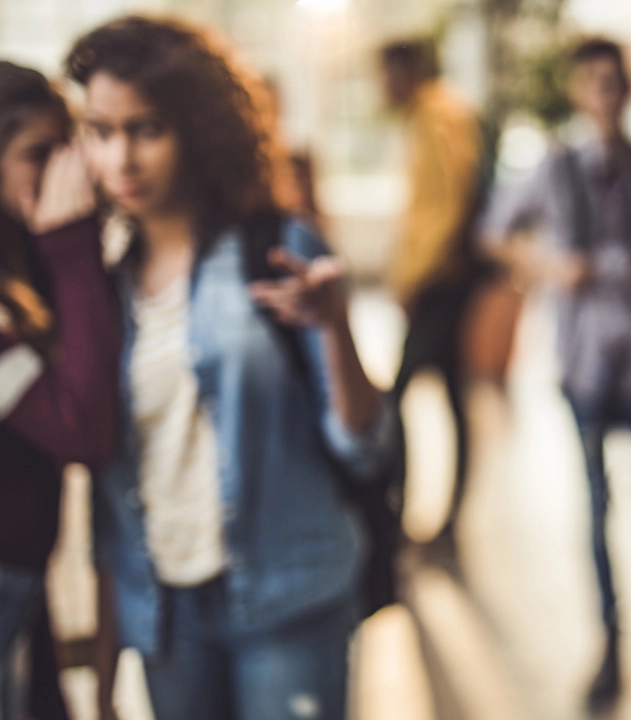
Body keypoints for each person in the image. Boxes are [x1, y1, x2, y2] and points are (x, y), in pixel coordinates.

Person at [65, 16, 391, 720]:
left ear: (198, 129)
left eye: (146, 129)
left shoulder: (274, 248)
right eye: (100, 130)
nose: (121, 158)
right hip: (165, 615)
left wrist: (334, 324)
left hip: (288, 596)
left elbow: (361, 445)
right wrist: (103, 654)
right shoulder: (102, 283)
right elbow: (104, 488)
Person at [484, 37, 631, 712]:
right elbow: (494, 235)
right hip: (582, 364)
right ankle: (611, 648)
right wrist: (554, 269)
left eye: (614, 83)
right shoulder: (552, 173)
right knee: (595, 515)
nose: (604, 95)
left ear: (629, 89)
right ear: (578, 92)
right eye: (592, 83)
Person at [0, 61, 118, 720]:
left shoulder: (21, 262)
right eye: (36, 154)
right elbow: (85, 429)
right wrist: (72, 247)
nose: (59, 172)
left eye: (66, 150)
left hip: (23, 576)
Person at [379, 38, 485, 554]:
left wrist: (412, 278)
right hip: (437, 279)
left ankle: (401, 512)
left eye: (387, 75)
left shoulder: (438, 116)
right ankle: (442, 518)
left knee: (400, 394)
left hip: (441, 282)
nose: (383, 88)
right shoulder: (431, 114)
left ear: (409, 69)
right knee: (448, 396)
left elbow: (448, 207)